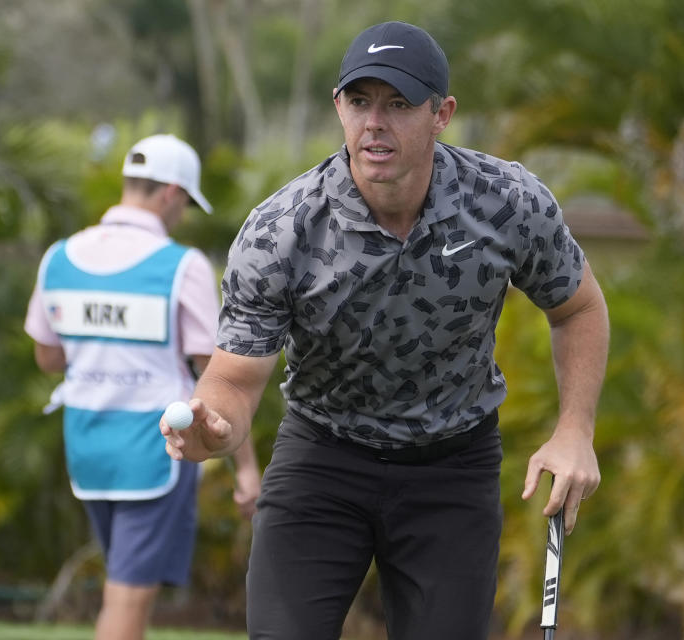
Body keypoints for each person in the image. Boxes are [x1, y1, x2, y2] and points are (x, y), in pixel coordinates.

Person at [161, 21, 609, 640]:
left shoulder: (506, 203)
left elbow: (578, 308)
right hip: (323, 460)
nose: (376, 121)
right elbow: (233, 377)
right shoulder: (280, 231)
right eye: (360, 100)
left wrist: (574, 429)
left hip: (453, 465)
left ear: (441, 113)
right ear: (338, 108)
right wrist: (214, 425)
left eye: (399, 103)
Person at [25, 133, 261, 640]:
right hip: (156, 451)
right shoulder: (183, 267)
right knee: (127, 603)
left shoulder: (58, 258)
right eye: (184, 205)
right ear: (172, 194)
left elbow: (47, 356)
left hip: (87, 447)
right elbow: (219, 379)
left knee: (122, 589)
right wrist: (246, 469)